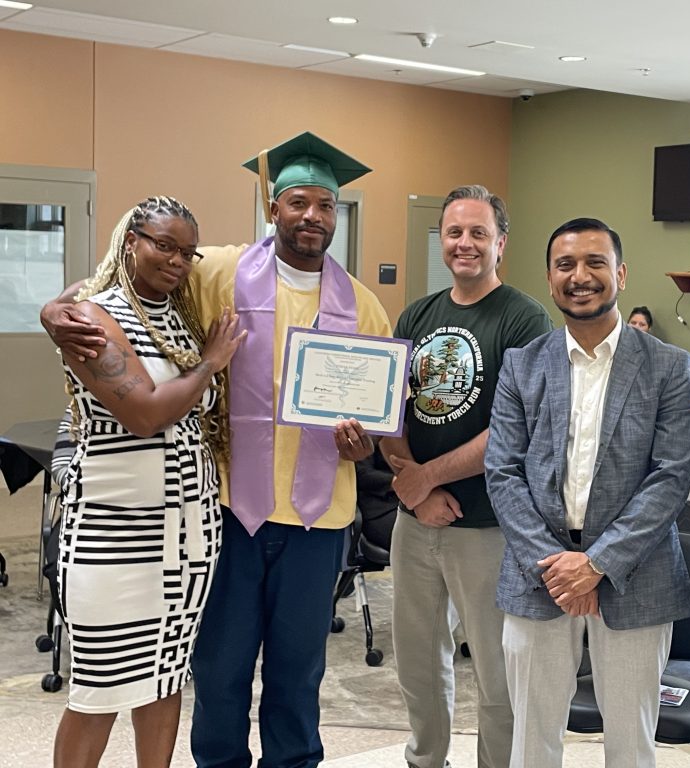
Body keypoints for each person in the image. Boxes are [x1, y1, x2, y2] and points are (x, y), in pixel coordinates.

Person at [42, 132, 392, 768]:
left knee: (298, 671)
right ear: (273, 207)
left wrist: (360, 443)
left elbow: (372, 418)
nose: (312, 216)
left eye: (325, 205)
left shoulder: (364, 305)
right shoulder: (218, 271)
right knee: (219, 667)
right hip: (228, 511)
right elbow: (116, 283)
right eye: (298, 202)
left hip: (319, 518)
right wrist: (52, 309)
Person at [484, 217, 690, 768]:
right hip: (538, 577)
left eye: (595, 263)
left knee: (631, 746)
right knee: (531, 743)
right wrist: (556, 567)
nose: (580, 276)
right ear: (549, 278)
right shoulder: (522, 364)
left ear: (620, 275)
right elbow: (502, 471)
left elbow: (671, 477)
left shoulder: (668, 367)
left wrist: (598, 564)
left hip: (637, 576)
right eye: (566, 265)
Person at [49, 196, 243, 768]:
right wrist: (210, 363)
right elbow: (145, 414)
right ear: (131, 240)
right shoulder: (91, 317)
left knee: (165, 677)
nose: (177, 260)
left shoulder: (175, 313)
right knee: (98, 688)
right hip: (112, 534)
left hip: (188, 536)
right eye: (164, 245)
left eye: (187, 252)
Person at [380, 185, 552, 768]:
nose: (465, 243)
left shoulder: (524, 318)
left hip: (487, 526)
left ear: (501, 243)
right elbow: (390, 409)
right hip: (416, 523)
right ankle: (425, 759)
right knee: (418, 664)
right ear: (442, 239)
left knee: (496, 672)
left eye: (479, 233)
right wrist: (415, 489)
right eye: (455, 232)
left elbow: (513, 428)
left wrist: (425, 478)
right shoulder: (417, 315)